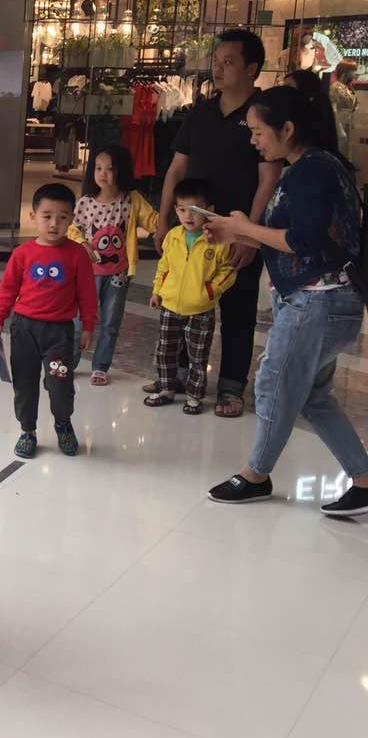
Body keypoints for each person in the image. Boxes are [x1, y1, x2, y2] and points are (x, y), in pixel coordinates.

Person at [204, 85, 368, 516]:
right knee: (313, 396)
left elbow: (303, 241)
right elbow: (303, 240)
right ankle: (364, 478)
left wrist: (243, 229)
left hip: (318, 301)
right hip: (323, 300)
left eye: (258, 132)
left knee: (273, 384)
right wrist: (238, 231)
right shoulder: (316, 166)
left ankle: (256, 474)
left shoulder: (312, 170)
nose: (253, 140)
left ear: (288, 129)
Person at [157, 28, 281, 418]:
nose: (219, 68)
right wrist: (163, 220)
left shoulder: (262, 115)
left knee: (238, 309)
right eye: (216, 60)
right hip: (192, 230)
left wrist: (250, 234)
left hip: (238, 231)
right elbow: (176, 170)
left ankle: (231, 387)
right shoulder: (200, 112)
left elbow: (268, 179)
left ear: (252, 68)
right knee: (183, 300)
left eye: (229, 61)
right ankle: (177, 376)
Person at [0, 183, 97, 460]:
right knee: (24, 384)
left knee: (60, 384)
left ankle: (63, 423)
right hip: (24, 329)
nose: (54, 224)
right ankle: (28, 430)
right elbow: (7, 290)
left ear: (72, 219)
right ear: (33, 216)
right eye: (47, 216)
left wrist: (88, 325)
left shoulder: (77, 254)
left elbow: (87, 293)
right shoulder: (22, 254)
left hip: (59, 334)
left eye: (62, 217)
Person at [143, 179, 237, 415]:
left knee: (198, 356)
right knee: (165, 350)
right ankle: (167, 388)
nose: (188, 216)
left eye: (195, 210)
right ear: (176, 210)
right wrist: (157, 291)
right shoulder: (173, 236)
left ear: (209, 210)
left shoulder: (216, 240)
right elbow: (164, 266)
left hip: (200, 310)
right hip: (170, 305)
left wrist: (211, 291)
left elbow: (228, 270)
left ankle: (194, 396)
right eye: (182, 209)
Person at [68, 145, 159, 384]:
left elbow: (153, 221)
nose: (103, 173)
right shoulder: (86, 203)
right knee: (78, 319)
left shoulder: (131, 200)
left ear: (121, 171)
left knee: (111, 322)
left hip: (118, 273)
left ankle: (100, 366)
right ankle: (69, 361)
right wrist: (82, 243)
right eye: (98, 168)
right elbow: (73, 229)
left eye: (110, 169)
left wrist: (174, 219)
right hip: (87, 273)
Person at [330, 59, 358, 156]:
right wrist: (339, 129)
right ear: (345, 71)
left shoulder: (347, 88)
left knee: (347, 152)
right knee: (340, 151)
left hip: (347, 123)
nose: (355, 73)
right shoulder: (335, 87)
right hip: (339, 122)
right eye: (353, 70)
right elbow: (333, 109)